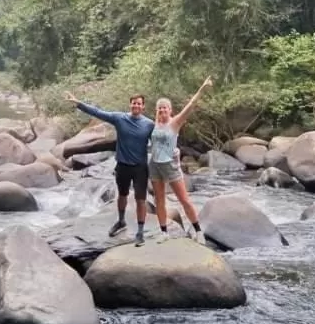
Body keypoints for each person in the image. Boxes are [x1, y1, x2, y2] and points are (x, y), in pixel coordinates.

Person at [65, 91, 154, 244]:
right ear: (130, 104)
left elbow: (160, 141)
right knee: (122, 195)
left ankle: (140, 231)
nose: (136, 106)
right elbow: (98, 112)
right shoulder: (119, 118)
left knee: (140, 200)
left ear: (143, 106)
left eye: (139, 103)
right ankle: (121, 221)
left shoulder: (149, 124)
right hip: (122, 165)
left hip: (140, 167)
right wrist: (78, 103)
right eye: (134, 103)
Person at [149, 76, 213, 243]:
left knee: (184, 200)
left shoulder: (175, 123)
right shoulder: (155, 123)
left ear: (170, 110)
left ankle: (198, 231)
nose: (162, 110)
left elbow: (191, 105)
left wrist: (202, 88)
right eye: (159, 108)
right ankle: (164, 232)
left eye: (165, 108)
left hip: (170, 165)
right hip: (154, 165)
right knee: (159, 200)